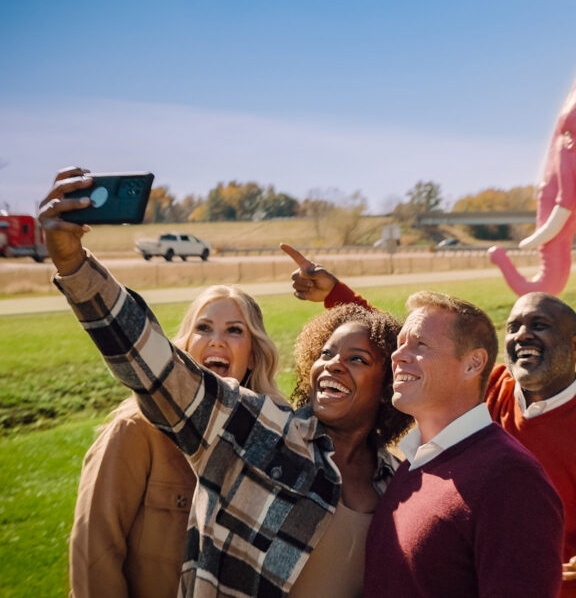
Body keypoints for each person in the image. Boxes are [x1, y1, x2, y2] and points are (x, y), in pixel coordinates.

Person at [42, 168, 411, 597]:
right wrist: (74, 265)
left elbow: (414, 361)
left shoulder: (398, 482)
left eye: (356, 359)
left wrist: (340, 297)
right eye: (324, 354)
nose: (332, 366)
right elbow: (148, 357)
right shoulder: (262, 432)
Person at [286, 245, 576, 597]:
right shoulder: (487, 388)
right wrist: (337, 294)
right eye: (513, 326)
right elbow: (417, 349)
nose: (522, 335)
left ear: (575, 345)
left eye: (540, 325)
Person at [69, 283, 286, 598]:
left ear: (252, 356)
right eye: (203, 328)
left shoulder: (270, 438)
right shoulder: (136, 430)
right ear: (184, 347)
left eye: (234, 330)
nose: (216, 341)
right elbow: (94, 553)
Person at [363, 290, 565, 597]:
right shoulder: (413, 464)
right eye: (400, 343)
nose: (397, 355)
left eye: (420, 344)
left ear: (473, 364)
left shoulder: (511, 480)